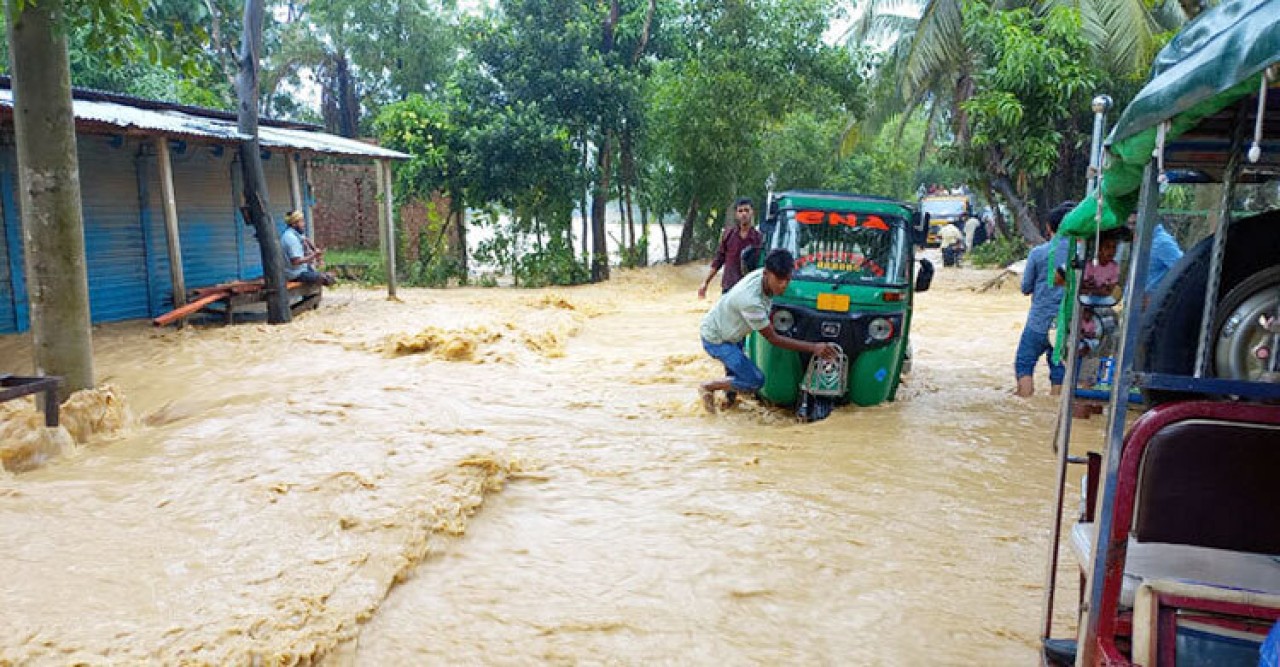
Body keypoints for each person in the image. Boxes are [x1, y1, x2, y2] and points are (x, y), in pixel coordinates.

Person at [699, 248, 839, 412]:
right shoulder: (751, 301)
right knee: (753, 381)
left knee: (735, 382)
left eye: (788, 279)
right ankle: (707, 387)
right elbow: (774, 339)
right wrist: (814, 347)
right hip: (717, 339)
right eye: (779, 280)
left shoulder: (764, 276)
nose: (784, 285)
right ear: (766, 273)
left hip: (730, 330)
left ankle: (726, 409)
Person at [1015, 201, 1074, 397]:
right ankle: (1054, 408)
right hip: (1066, 324)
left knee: (1024, 364)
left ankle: (1025, 405)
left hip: (1038, 322)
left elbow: (1025, 288)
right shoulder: (1082, 255)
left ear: (1049, 228)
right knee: (1059, 371)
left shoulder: (1039, 253)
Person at [699, 197, 764, 299]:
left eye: (747, 210)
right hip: (729, 288)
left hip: (748, 289)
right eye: (740, 211)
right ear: (736, 214)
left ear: (752, 212)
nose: (744, 214)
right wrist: (705, 283)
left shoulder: (759, 239)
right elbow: (718, 261)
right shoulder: (728, 235)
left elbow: (762, 267)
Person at [281, 210, 336, 286]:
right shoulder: (291, 238)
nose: (304, 224)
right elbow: (296, 261)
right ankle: (310, 296)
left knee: (330, 275)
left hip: (302, 270)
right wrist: (314, 255)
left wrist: (315, 250)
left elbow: (305, 239)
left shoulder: (294, 233)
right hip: (295, 274)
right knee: (328, 278)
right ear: (294, 224)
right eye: (301, 221)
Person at [1145, 220, 1184, 292]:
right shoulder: (1143, 241)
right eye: (1129, 224)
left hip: (1152, 299)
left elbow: (1183, 269)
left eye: (1134, 223)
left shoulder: (1162, 242)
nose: (1131, 228)